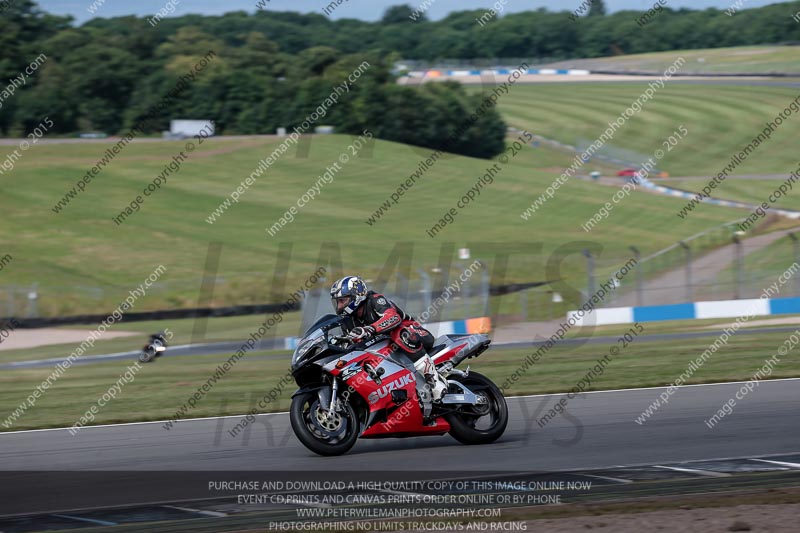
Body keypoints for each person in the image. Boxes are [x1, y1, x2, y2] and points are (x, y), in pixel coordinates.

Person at [330, 275, 448, 403]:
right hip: (388, 351)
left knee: (400, 333)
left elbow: (393, 318)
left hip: (415, 335)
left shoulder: (375, 300)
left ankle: (434, 380)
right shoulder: (347, 321)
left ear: (356, 297)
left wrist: (369, 329)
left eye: (343, 301)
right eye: (338, 302)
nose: (339, 306)